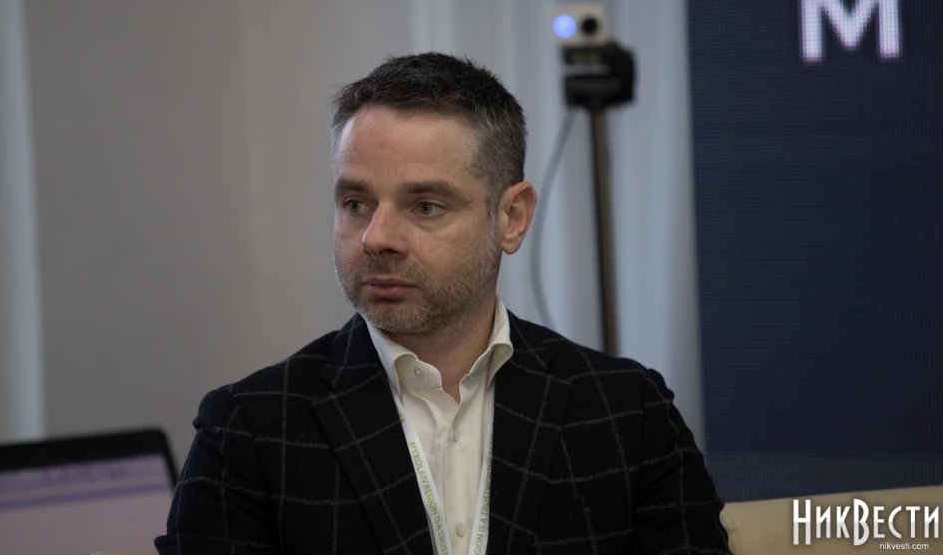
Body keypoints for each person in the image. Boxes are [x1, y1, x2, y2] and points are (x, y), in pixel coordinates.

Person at [156, 53, 730, 554]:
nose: (376, 237)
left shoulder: (627, 413)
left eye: (425, 206)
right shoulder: (251, 430)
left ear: (512, 218)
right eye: (355, 203)